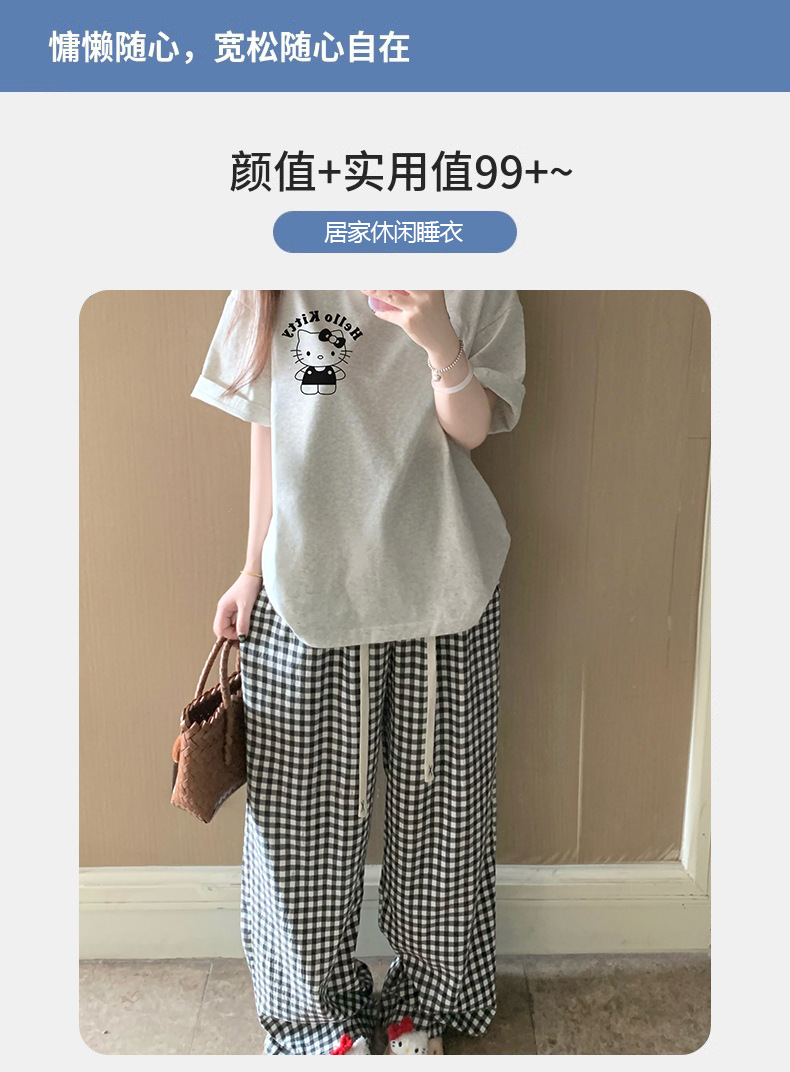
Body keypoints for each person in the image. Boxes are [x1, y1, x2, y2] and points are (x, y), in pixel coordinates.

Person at [191, 289, 526, 1056]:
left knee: (445, 827)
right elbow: (268, 427)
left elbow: (471, 430)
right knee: (299, 838)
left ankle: (423, 1008)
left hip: (444, 586)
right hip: (306, 589)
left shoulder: (477, 273)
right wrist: (250, 571)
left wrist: (438, 339)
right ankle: (318, 1027)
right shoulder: (272, 273)